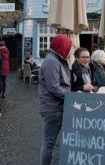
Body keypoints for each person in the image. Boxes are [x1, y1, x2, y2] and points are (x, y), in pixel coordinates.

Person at [38, 35, 73, 165]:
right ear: (62, 47)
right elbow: (53, 88)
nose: (70, 52)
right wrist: (71, 97)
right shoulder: (52, 61)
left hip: (60, 107)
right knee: (49, 143)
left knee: (52, 142)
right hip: (53, 109)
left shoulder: (57, 59)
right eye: (68, 48)